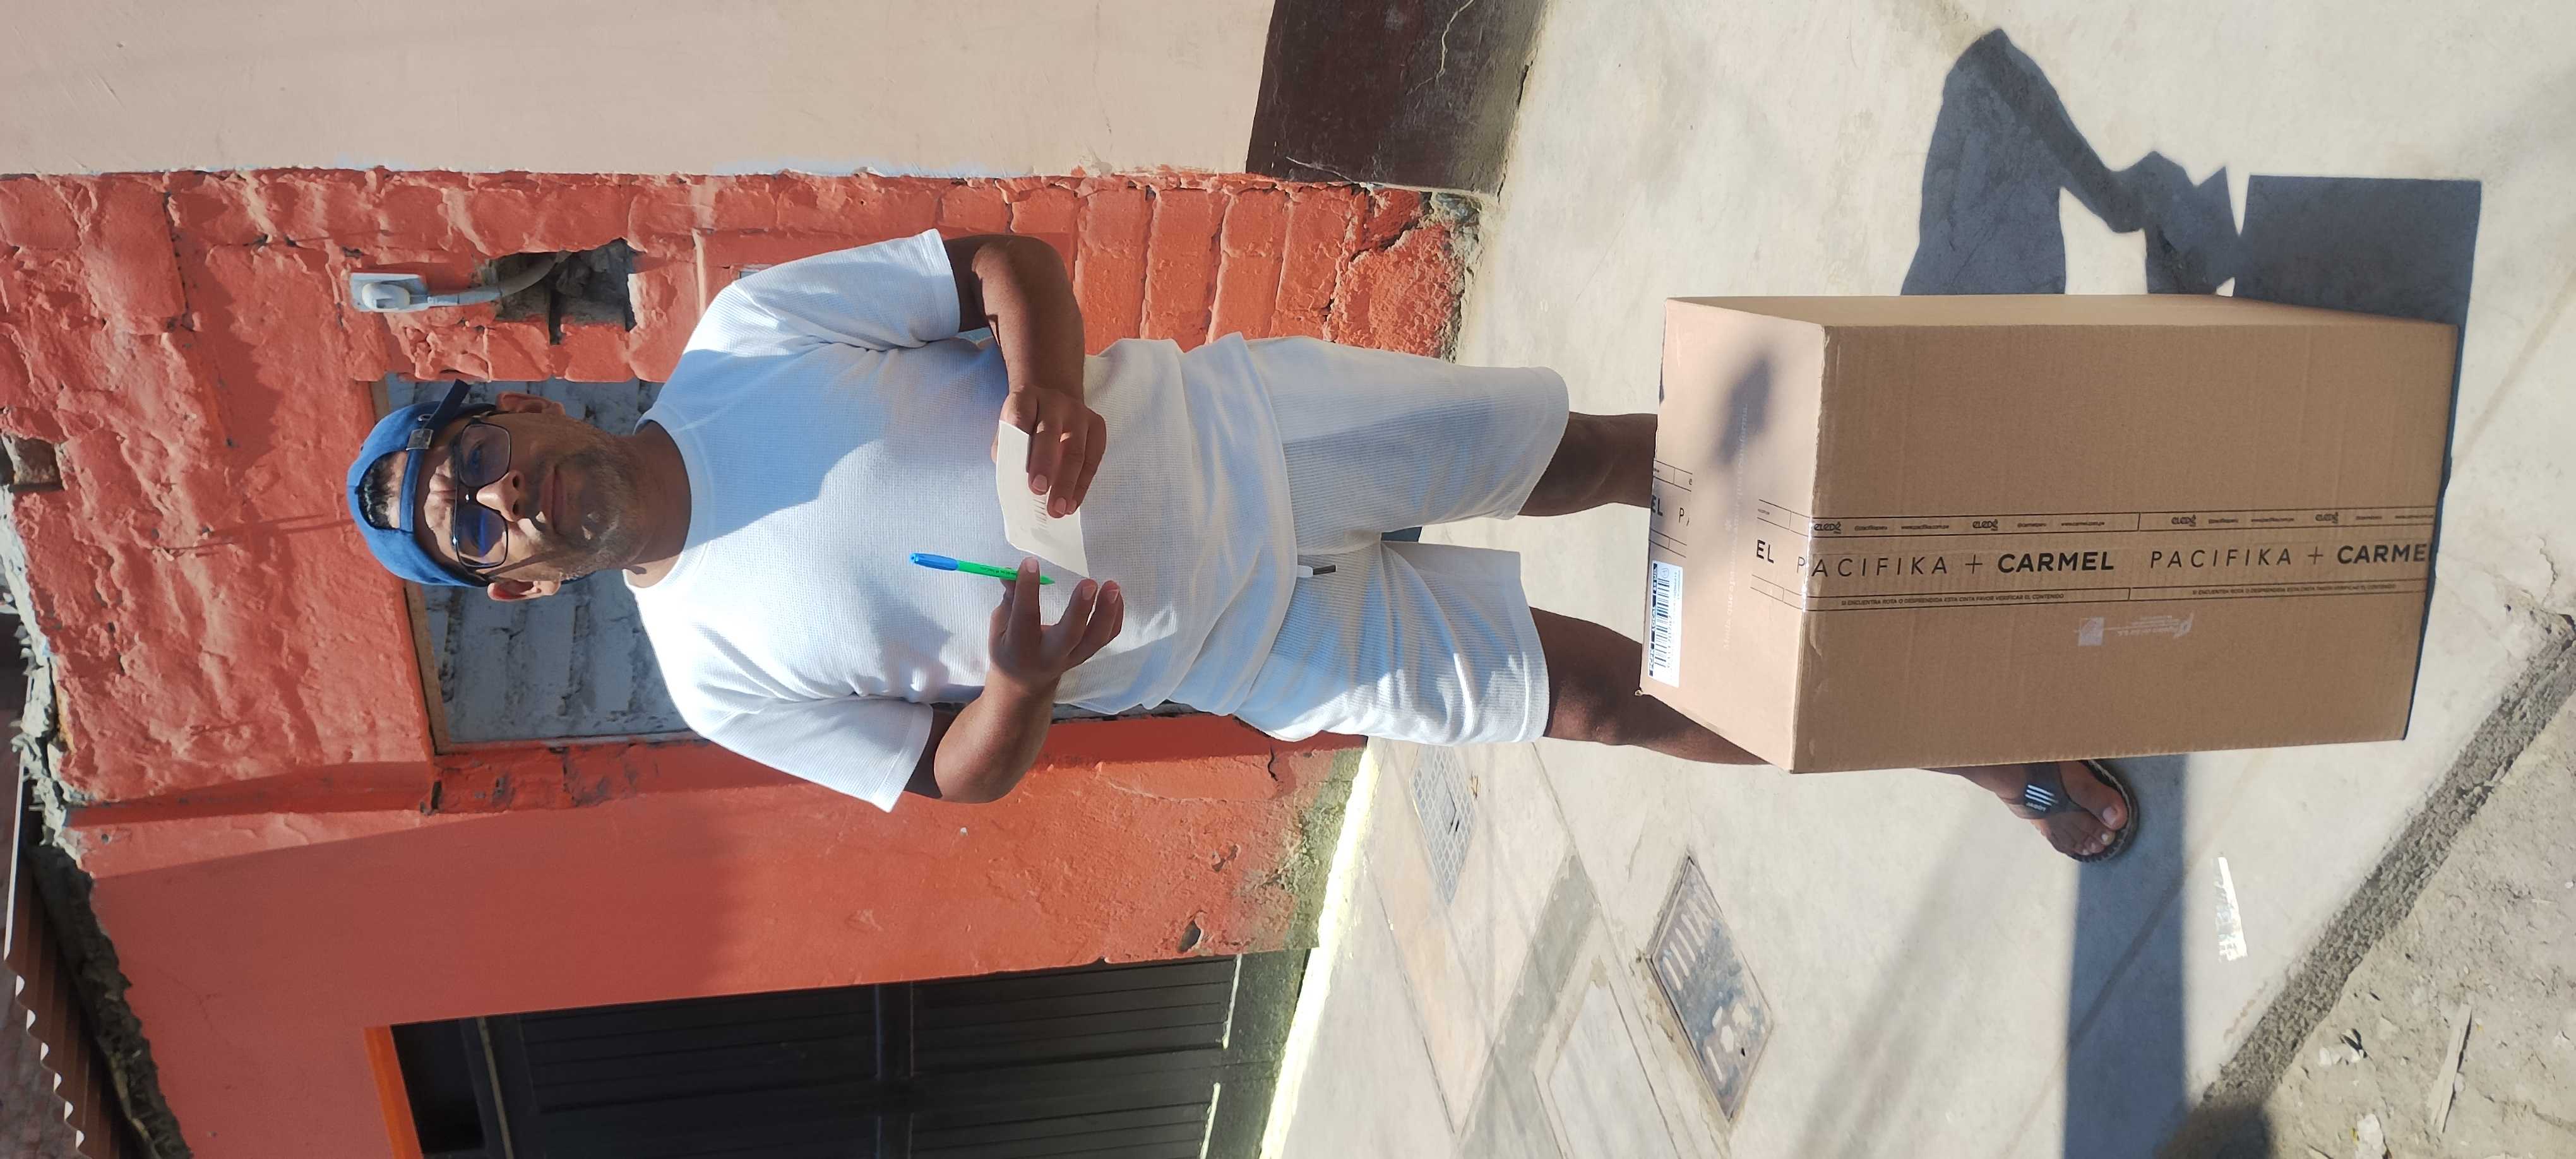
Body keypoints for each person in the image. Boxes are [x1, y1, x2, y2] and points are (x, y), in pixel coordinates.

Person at [344, 230, 2136, 861]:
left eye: (480, 458)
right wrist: (1022, 686)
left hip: (1255, 427)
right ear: (516, 588)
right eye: (475, 534)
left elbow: (1004, 263)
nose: (504, 501)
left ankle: (1903, 481)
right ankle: (1964, 735)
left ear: (528, 406)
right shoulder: (711, 675)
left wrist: (1046, 384)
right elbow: (954, 781)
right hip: (1262, 648)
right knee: (1603, 701)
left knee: (1598, 459)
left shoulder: (746, 337)